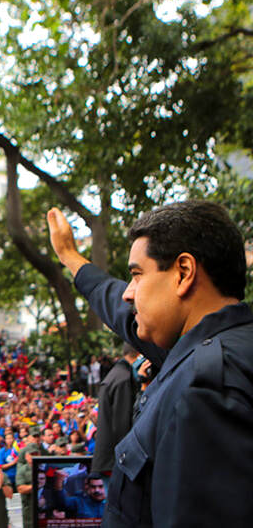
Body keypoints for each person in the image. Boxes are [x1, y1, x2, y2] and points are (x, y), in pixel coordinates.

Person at [48, 201, 253, 527]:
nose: (129, 293)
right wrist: (71, 258)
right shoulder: (218, 346)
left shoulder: (206, 389)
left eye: (136, 275)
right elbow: (122, 310)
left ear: (183, 273)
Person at [92, 343, 139, 484]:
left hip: (110, 458)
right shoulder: (124, 378)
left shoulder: (117, 374)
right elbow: (122, 424)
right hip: (114, 461)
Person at [15, 443, 40, 528]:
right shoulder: (22, 470)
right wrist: (36, 486)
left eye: (36, 454)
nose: (34, 457)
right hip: (29, 509)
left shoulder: (45, 468)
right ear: (26, 456)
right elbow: (20, 489)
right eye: (31, 454)